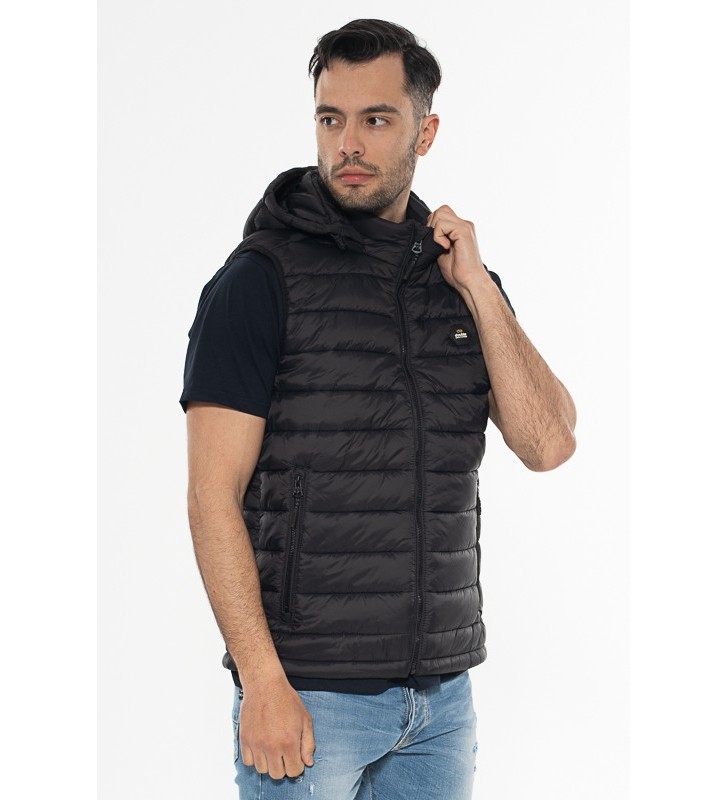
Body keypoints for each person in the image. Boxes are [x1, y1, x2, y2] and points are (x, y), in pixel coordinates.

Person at [180, 18, 576, 800]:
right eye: (330, 119)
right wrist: (261, 680)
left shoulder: (459, 281)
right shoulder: (258, 281)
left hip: (441, 702)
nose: (348, 144)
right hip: (308, 695)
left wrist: (479, 290)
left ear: (425, 133)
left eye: (376, 120)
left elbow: (547, 443)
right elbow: (210, 496)